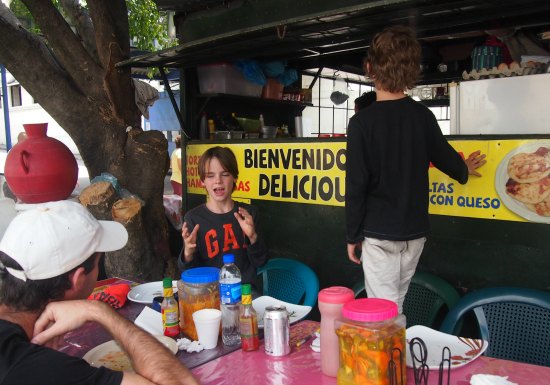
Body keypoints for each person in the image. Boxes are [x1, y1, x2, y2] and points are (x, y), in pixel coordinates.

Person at [345, 25, 486, 313]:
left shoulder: (362, 123)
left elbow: (356, 185)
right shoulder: (423, 115)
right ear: (412, 73)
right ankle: (395, 352)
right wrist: (463, 169)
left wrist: (352, 235)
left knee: (384, 309)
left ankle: (390, 356)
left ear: (369, 67)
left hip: (380, 232)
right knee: (396, 302)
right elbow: (444, 157)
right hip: (415, 232)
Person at [0, 200, 199, 385]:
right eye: (99, 263)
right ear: (77, 279)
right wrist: (99, 311)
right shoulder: (42, 368)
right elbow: (181, 382)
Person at [180, 146, 268, 286]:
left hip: (245, 294)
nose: (218, 180)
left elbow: (260, 262)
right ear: (202, 181)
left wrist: (252, 237)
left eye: (225, 174)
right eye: (210, 175)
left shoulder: (249, 214)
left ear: (234, 177)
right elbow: (190, 275)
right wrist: (188, 253)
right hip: (209, 294)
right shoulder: (193, 219)